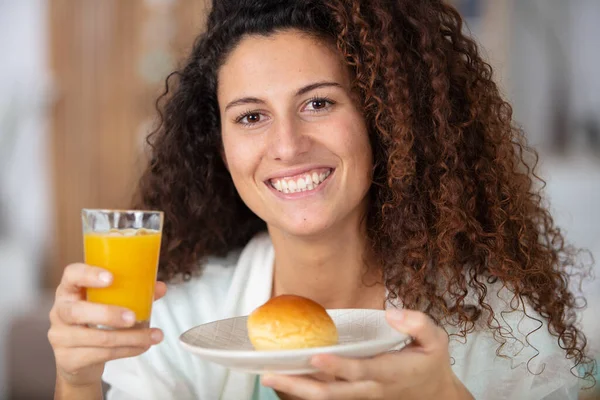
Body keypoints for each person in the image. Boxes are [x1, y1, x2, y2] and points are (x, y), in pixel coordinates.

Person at [47, 0, 596, 399]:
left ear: (383, 119)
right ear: (219, 144)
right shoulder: (181, 321)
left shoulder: (498, 322)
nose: (286, 146)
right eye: (251, 117)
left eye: (318, 104)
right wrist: (77, 381)